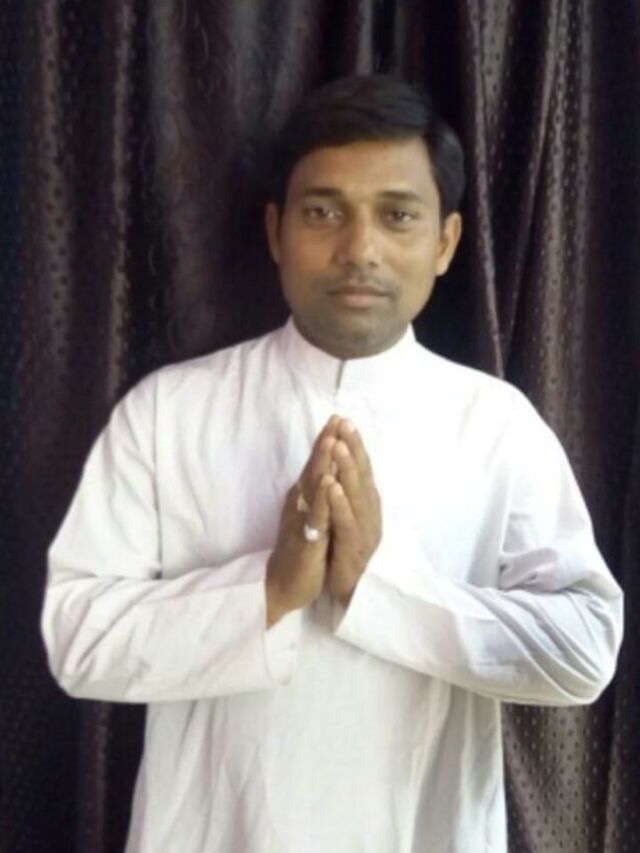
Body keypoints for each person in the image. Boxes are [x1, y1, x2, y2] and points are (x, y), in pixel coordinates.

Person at [41, 75, 623, 853]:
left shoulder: (498, 426)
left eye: (397, 214)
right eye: (323, 212)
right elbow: (77, 639)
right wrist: (269, 589)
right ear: (276, 232)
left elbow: (584, 651)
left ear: (445, 242)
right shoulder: (168, 410)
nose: (359, 249)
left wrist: (375, 589)